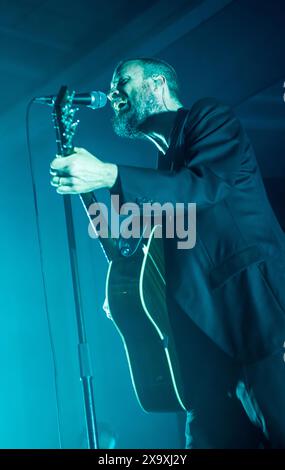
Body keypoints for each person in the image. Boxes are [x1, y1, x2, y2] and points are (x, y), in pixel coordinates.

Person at [50, 57, 285, 448]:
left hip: (255, 323)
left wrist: (109, 174)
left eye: (122, 81)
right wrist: (85, 190)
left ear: (157, 84)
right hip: (204, 358)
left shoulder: (210, 118)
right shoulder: (164, 165)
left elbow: (203, 188)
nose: (112, 93)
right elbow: (129, 247)